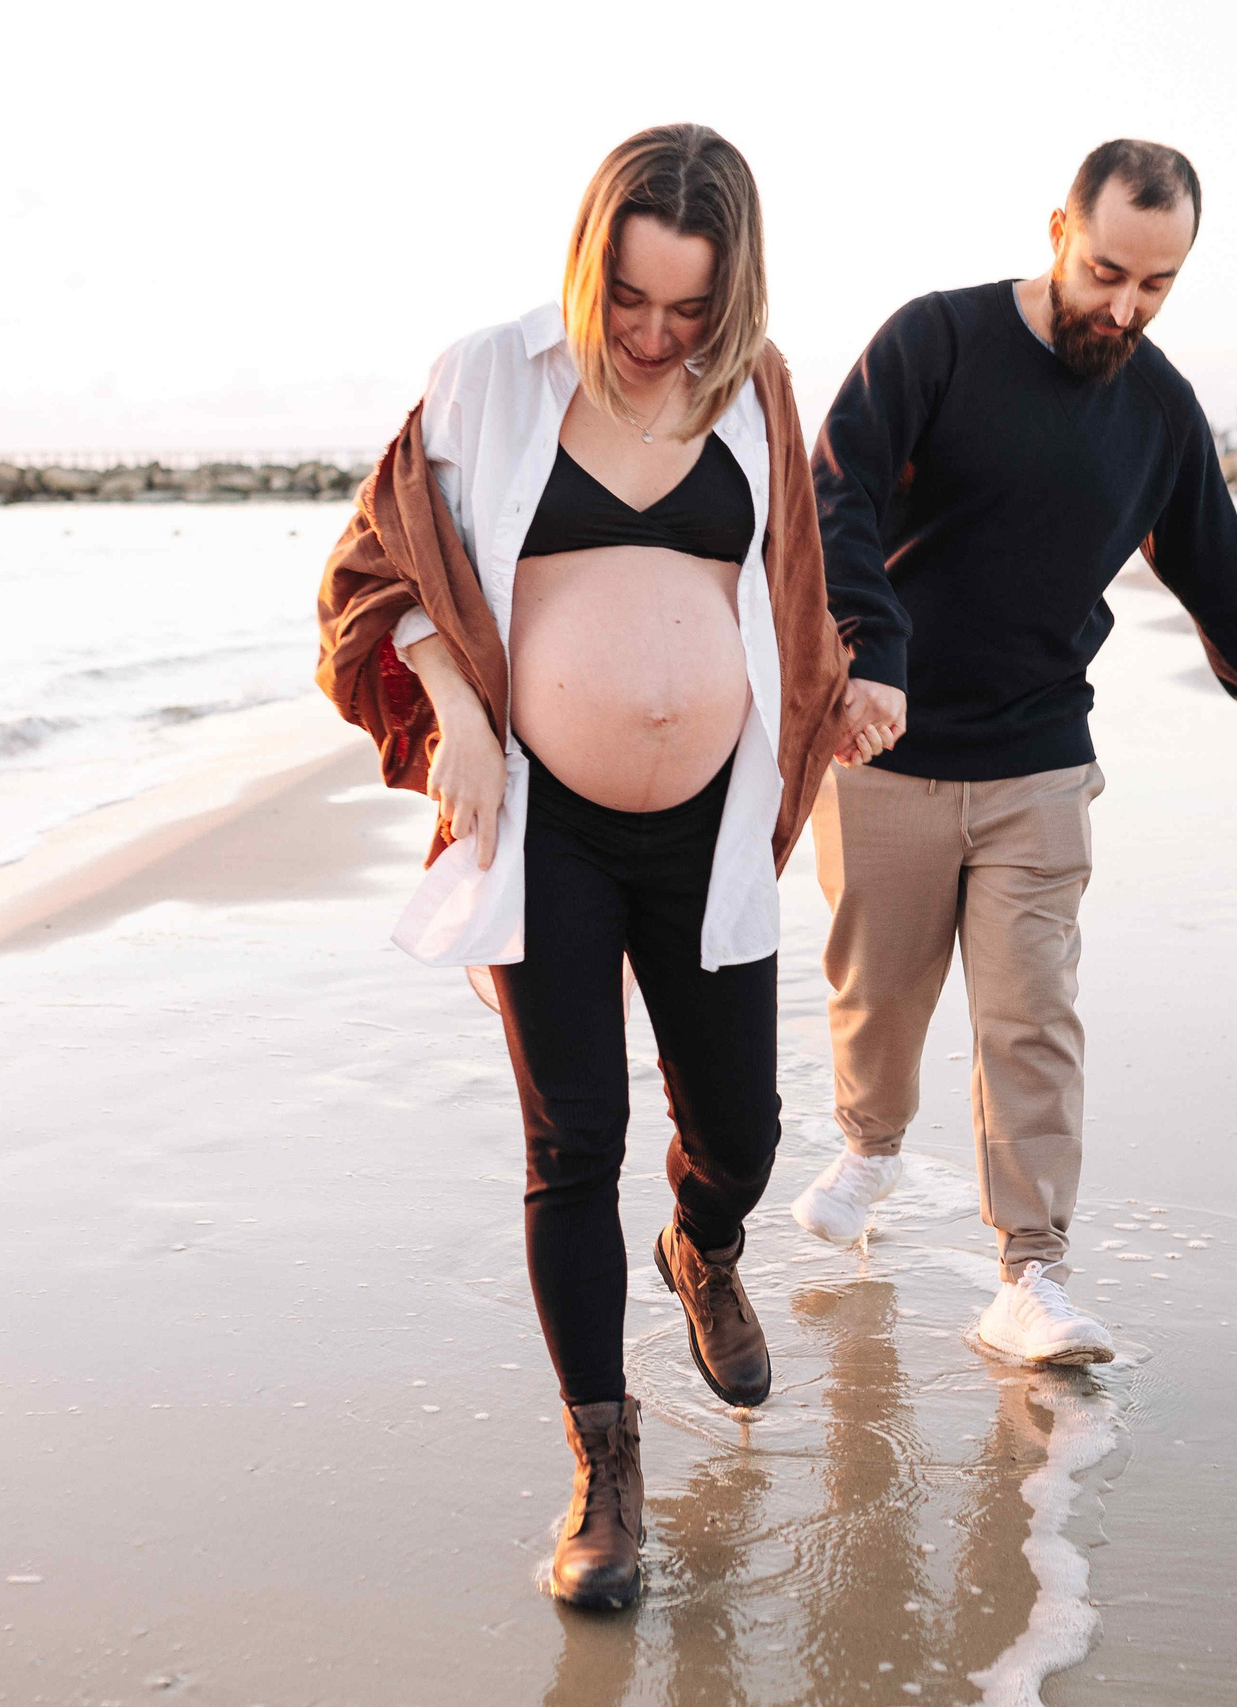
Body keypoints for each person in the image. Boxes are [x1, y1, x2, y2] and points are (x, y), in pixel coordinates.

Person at [316, 124, 849, 1610]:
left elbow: (803, 575)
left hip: (711, 826)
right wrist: (463, 716)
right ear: (587, 262)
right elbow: (374, 565)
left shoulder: (755, 387)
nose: (656, 336)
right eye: (630, 299)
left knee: (739, 1120)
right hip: (544, 824)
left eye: (691, 308)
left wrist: (846, 683)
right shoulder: (487, 377)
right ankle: (605, 1468)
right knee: (573, 1140)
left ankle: (706, 1239)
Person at [794, 138, 1237, 1367]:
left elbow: (1218, 571)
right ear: (1058, 227)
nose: (1125, 306)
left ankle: (1030, 1276)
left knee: (1029, 1020)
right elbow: (832, 494)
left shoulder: (1156, 410)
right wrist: (868, 648)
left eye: (1157, 286)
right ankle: (872, 1143)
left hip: (1040, 757)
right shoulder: (933, 341)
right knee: (877, 994)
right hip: (883, 745)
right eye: (1107, 271)